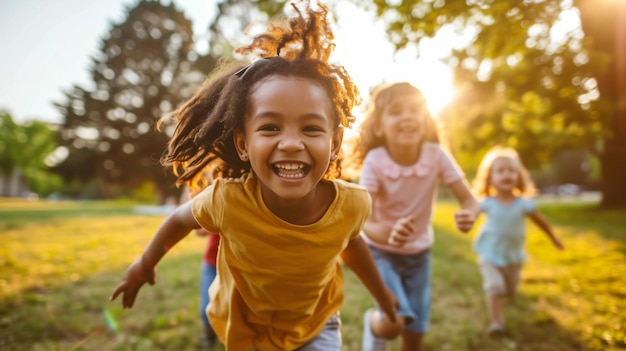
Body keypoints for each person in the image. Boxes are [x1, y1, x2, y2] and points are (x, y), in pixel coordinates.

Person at [109, 2, 399, 350]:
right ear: (243, 144)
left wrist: (384, 299)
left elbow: (352, 246)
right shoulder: (228, 200)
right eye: (271, 127)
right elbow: (179, 220)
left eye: (310, 128)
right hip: (247, 332)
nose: (291, 143)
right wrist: (144, 263)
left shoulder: (352, 204)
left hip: (315, 325)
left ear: (335, 143)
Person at [349, 82, 479, 351]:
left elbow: (469, 200)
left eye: (416, 110)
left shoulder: (436, 155)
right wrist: (387, 232)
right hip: (381, 255)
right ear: (379, 127)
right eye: (396, 111)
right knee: (393, 322)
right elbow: (362, 217)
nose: (408, 117)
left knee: (415, 332)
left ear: (426, 119)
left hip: (419, 256)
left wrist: (468, 214)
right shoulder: (376, 160)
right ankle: (373, 325)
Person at [471, 146, 564, 336]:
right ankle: (497, 323)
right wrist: (466, 218)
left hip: (513, 257)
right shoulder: (487, 203)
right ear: (490, 178)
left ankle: (501, 299)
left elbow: (540, 221)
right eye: (501, 171)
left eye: (512, 171)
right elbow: (472, 213)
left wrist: (553, 237)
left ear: (519, 176)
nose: (507, 174)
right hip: (489, 254)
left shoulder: (524, 204)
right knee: (495, 287)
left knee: (509, 291)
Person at [179, 176, 221, 349]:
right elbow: (199, 231)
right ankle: (208, 336)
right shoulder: (216, 193)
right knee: (206, 309)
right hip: (213, 261)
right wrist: (190, 181)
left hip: (243, 263)